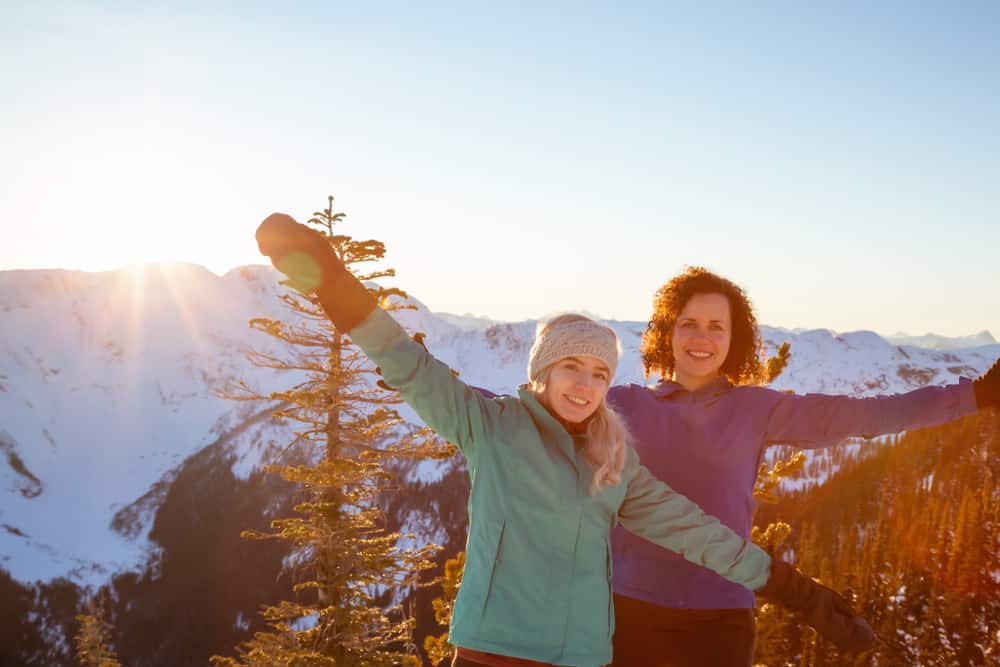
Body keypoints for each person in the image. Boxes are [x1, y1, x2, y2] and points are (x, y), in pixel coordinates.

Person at [254, 214, 875, 667]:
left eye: (601, 373)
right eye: (572, 367)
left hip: (583, 660)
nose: (585, 384)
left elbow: (703, 535)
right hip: (492, 655)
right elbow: (404, 362)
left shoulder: (615, 464)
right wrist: (331, 281)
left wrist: (799, 593)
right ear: (544, 372)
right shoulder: (488, 425)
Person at [606, 266, 1000, 667]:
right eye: (688, 323)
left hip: (720, 619)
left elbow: (866, 416)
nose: (701, 337)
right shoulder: (622, 405)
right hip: (629, 609)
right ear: (668, 331)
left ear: (733, 338)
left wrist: (976, 394)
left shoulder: (755, 409)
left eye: (716, 326)